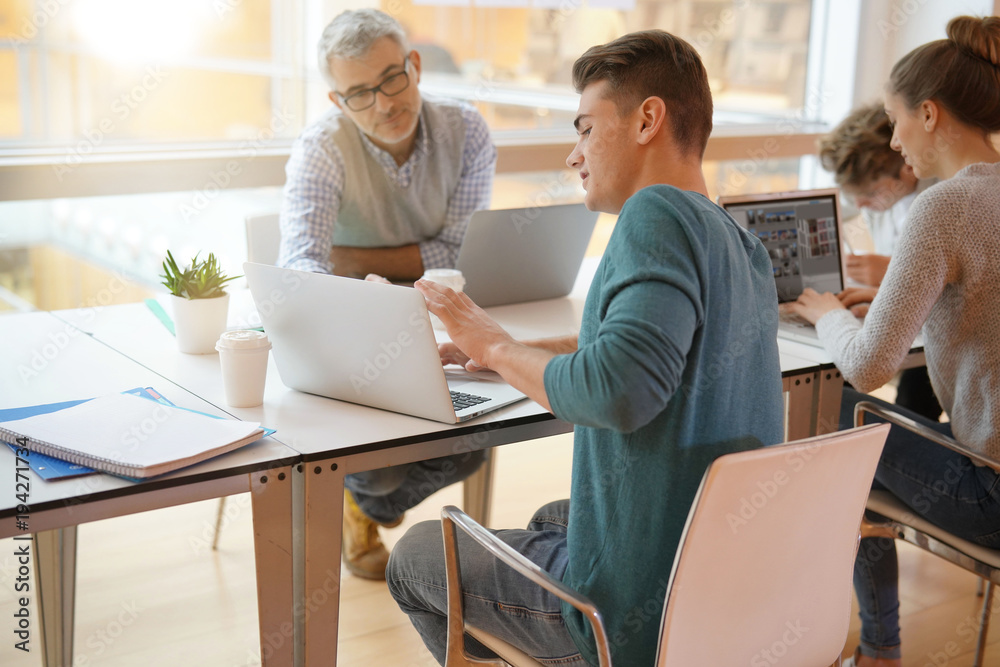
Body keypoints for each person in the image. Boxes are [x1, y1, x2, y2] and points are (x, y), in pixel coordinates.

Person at [387, 30, 784, 666]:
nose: (574, 155)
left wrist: (490, 345)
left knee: (416, 556)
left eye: (585, 129)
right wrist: (512, 349)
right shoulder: (740, 244)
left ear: (648, 119)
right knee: (552, 516)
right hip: (723, 586)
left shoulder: (653, 213)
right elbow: (662, 342)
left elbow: (616, 391)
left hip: (632, 620)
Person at [789, 15, 1000, 667]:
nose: (897, 138)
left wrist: (826, 310)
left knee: (838, 423)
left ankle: (880, 649)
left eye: (895, 117)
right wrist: (890, 298)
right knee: (881, 416)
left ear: (929, 114)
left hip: (991, 494)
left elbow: (865, 364)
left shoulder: (946, 208)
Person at [278, 8, 497, 580]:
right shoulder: (320, 148)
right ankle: (365, 496)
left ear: (415, 65)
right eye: (358, 93)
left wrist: (352, 260)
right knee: (375, 463)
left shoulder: (466, 130)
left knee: (476, 436)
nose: (382, 103)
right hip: (355, 330)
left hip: (444, 322)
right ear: (336, 100)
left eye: (391, 79)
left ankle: (362, 502)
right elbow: (302, 265)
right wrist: (363, 276)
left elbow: (459, 250)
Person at [818, 103, 942, 421]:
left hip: (935, 339)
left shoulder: (939, 201)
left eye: (870, 193)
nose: (861, 205)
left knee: (911, 388)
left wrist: (893, 274)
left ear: (907, 167)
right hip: (908, 315)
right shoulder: (883, 197)